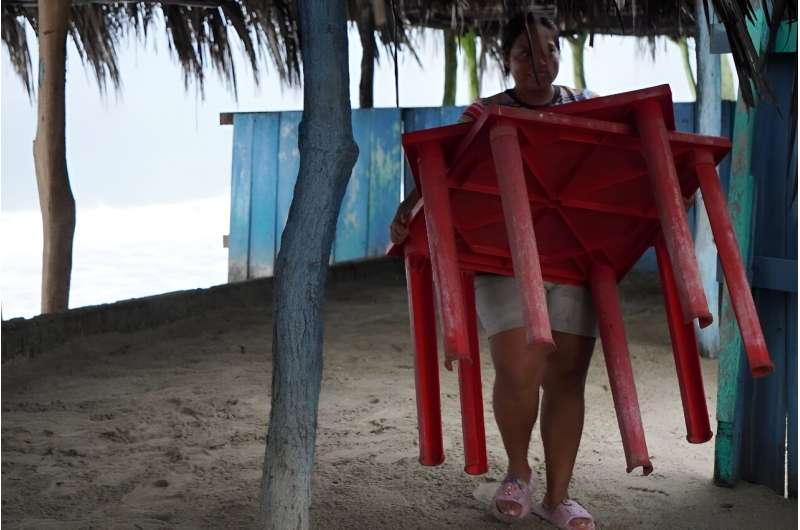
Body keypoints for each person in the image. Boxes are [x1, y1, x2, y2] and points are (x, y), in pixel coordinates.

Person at [390, 12, 598, 530]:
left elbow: (626, 165)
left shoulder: (587, 106)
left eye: (548, 50)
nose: (539, 62)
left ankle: (558, 496)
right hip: (500, 258)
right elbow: (444, 172)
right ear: (505, 61)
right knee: (518, 370)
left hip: (573, 256)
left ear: (560, 54)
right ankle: (518, 471)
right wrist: (408, 211)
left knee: (568, 376)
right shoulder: (483, 114)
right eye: (525, 53)